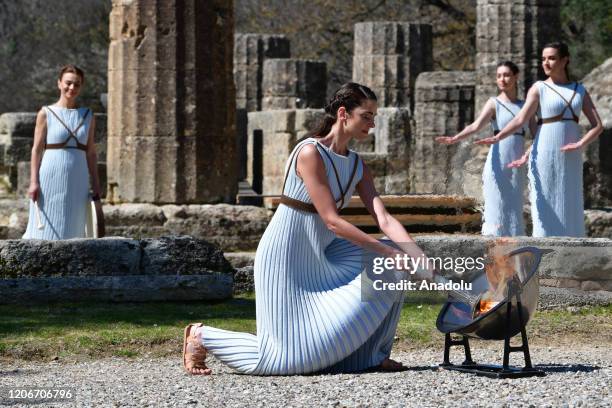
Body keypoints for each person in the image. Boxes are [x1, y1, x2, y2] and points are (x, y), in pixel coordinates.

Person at [183, 83, 432, 375]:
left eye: (373, 117)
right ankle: (202, 336)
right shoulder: (310, 153)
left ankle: (371, 357)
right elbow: (331, 220)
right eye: (366, 116)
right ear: (343, 114)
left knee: (390, 268)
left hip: (325, 255)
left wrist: (415, 253)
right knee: (285, 359)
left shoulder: (357, 165)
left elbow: (384, 219)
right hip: (287, 256)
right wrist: (389, 250)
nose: (372, 124)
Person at [475, 42, 604, 237]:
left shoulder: (579, 89)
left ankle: (572, 253)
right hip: (544, 151)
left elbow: (598, 125)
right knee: (545, 205)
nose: (546, 63)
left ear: (564, 60)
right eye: (543, 59)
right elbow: (521, 119)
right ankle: (543, 254)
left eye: (551, 58)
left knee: (570, 202)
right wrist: (499, 136)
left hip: (571, 154)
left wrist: (580, 144)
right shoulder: (539, 88)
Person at [436, 61, 536, 236]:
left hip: (516, 164)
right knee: (495, 208)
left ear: (516, 77)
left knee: (514, 210)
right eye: (498, 76)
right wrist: (456, 138)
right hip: (497, 162)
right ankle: (493, 257)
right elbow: (475, 126)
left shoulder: (525, 106)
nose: (502, 79)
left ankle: (515, 257)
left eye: (506, 75)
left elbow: (538, 136)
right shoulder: (494, 103)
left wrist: (527, 155)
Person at [22, 64, 102, 239]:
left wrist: (96, 183)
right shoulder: (46, 113)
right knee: (43, 229)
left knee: (74, 226)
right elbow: (36, 150)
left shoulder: (87, 115)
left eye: (77, 84)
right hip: (50, 176)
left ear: (81, 87)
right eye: (68, 83)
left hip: (78, 177)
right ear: (59, 83)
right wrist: (33, 182)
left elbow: (91, 153)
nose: (72, 88)